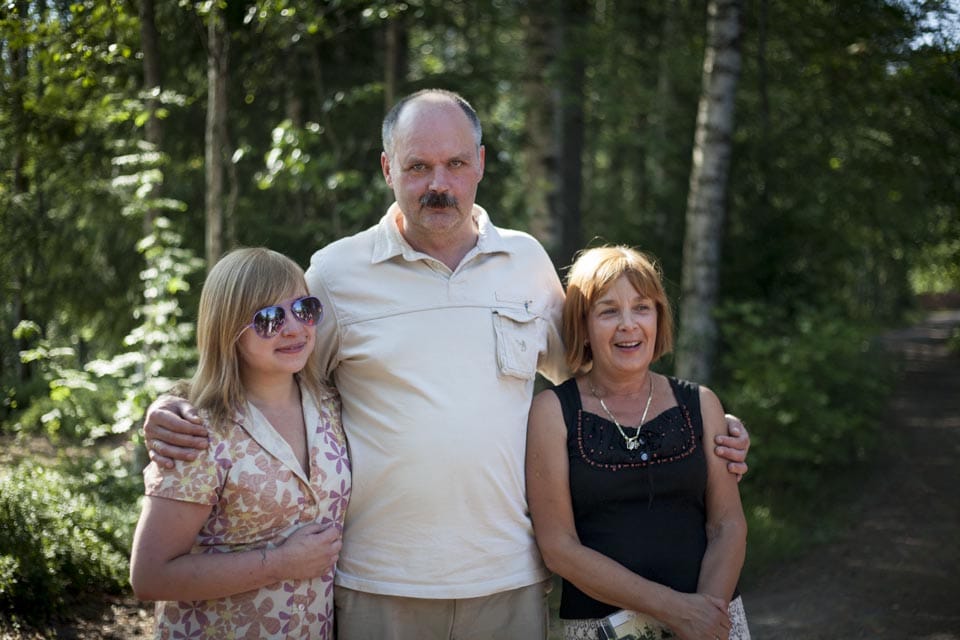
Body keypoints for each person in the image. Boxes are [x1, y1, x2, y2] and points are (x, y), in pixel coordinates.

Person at [142, 89, 750, 640]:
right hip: (379, 583)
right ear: (388, 170)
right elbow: (265, 367)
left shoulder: (526, 263)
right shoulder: (335, 273)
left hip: (508, 576)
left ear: (480, 164)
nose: (440, 183)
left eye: (456, 164)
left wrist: (703, 437)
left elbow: (600, 387)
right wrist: (174, 403)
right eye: (418, 166)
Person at [526, 245, 750, 640]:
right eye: (608, 311)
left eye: (642, 307)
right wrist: (676, 610)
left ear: (659, 318)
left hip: (710, 623)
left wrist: (704, 617)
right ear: (584, 325)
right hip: (602, 629)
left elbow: (727, 525)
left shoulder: (701, 403)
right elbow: (558, 546)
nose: (628, 324)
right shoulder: (552, 411)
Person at [129, 247, 351, 639]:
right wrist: (280, 562)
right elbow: (150, 575)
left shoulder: (331, 403)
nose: (295, 328)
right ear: (228, 330)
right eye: (268, 319)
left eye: (305, 309)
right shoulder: (196, 431)